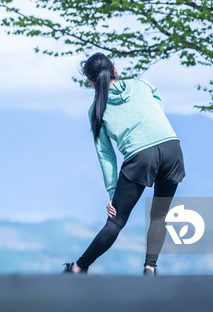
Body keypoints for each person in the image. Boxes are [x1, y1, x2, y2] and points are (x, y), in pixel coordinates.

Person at [63, 52, 185, 276]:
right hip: (172, 148)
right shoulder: (143, 84)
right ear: (115, 70)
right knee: (159, 215)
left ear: (91, 82)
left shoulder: (96, 109)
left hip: (141, 155)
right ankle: (150, 267)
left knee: (116, 221)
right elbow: (157, 110)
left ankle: (79, 268)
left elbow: (105, 154)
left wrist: (112, 191)